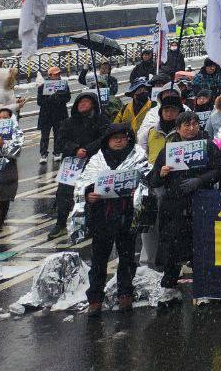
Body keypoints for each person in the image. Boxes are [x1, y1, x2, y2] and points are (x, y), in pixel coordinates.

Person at [147, 110, 220, 298]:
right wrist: (161, 173)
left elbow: (218, 171)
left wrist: (200, 180)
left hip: (201, 202)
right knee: (171, 246)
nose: (191, 128)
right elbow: (153, 181)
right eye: (186, 125)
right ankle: (169, 283)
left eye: (194, 124)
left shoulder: (209, 146)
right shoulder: (168, 149)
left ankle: (204, 285)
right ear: (178, 129)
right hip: (174, 205)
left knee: (201, 244)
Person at [82, 124, 141, 314]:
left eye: (122, 137)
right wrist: (88, 195)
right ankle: (95, 298)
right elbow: (83, 184)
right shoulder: (96, 160)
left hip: (126, 215)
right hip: (102, 217)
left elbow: (147, 181)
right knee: (99, 260)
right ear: (107, 140)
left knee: (127, 258)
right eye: (114, 137)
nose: (118, 141)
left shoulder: (138, 157)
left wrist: (138, 192)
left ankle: (125, 293)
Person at [47, 90, 110, 240]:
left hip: (92, 163)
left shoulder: (101, 120)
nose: (82, 104)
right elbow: (60, 141)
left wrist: (88, 150)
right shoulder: (69, 122)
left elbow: (105, 139)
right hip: (72, 164)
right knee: (64, 194)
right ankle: (61, 223)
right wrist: (75, 149)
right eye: (80, 102)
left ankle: (87, 224)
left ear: (94, 104)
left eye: (86, 102)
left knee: (88, 194)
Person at [0, 105, 23, 226]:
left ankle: (0, 222)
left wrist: (1, 146)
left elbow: (15, 152)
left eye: (5, 117)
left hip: (7, 171)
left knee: (3, 198)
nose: (2, 119)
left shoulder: (15, 132)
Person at [35, 66, 71, 164]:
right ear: (50, 76)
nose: (58, 76)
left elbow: (68, 98)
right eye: (55, 74)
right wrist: (50, 99)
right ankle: (43, 154)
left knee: (58, 134)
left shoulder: (63, 85)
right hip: (46, 115)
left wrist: (59, 98)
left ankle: (57, 152)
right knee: (45, 135)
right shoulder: (42, 86)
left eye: (58, 74)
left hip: (60, 114)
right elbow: (39, 101)